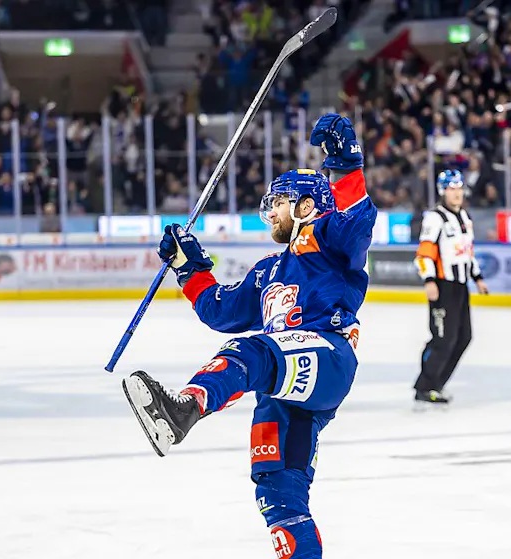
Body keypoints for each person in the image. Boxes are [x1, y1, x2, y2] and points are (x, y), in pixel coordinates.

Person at [122, 113, 374, 558]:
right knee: (278, 493)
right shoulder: (268, 271)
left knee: (250, 351)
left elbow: (356, 225)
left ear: (307, 206)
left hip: (327, 357)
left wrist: (346, 165)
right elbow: (219, 309)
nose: (270, 211)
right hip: (283, 387)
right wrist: (188, 267)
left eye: (279, 201)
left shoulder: (326, 237)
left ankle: (186, 408)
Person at [412, 170, 489, 407]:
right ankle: (424, 386)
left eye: (459, 189)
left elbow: (467, 252)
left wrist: (477, 278)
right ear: (442, 191)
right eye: (451, 189)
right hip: (442, 287)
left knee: (464, 337)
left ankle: (437, 383)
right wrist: (429, 280)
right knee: (443, 338)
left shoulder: (465, 216)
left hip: (461, 287)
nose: (456, 194)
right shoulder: (435, 218)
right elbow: (425, 252)